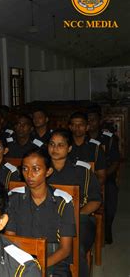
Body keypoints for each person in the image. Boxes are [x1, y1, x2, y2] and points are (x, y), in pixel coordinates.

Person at [7, 148, 76, 276]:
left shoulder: (63, 202)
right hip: (21, 257)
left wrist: (37, 265)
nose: (29, 174)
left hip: (54, 259)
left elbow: (65, 249)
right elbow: (11, 240)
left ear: (48, 171)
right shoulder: (14, 198)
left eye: (36, 169)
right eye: (25, 169)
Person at [47, 129, 101, 277]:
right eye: (51, 144)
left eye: (60, 145)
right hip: (48, 217)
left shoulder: (82, 170)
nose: (55, 148)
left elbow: (95, 201)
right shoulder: (41, 169)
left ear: (69, 148)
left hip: (80, 219)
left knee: (76, 247)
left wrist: (75, 216)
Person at [87, 106, 120, 244]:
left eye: (93, 120)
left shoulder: (108, 138)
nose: (90, 123)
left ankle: (107, 228)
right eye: (87, 120)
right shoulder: (81, 138)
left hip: (105, 176)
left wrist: (104, 176)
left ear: (99, 121)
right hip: (85, 177)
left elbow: (115, 162)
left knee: (110, 192)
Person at [68, 112, 106, 184]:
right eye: (74, 125)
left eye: (81, 125)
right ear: (70, 127)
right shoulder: (64, 146)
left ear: (87, 127)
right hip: (68, 186)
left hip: (89, 187)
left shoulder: (96, 148)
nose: (77, 127)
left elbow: (101, 176)